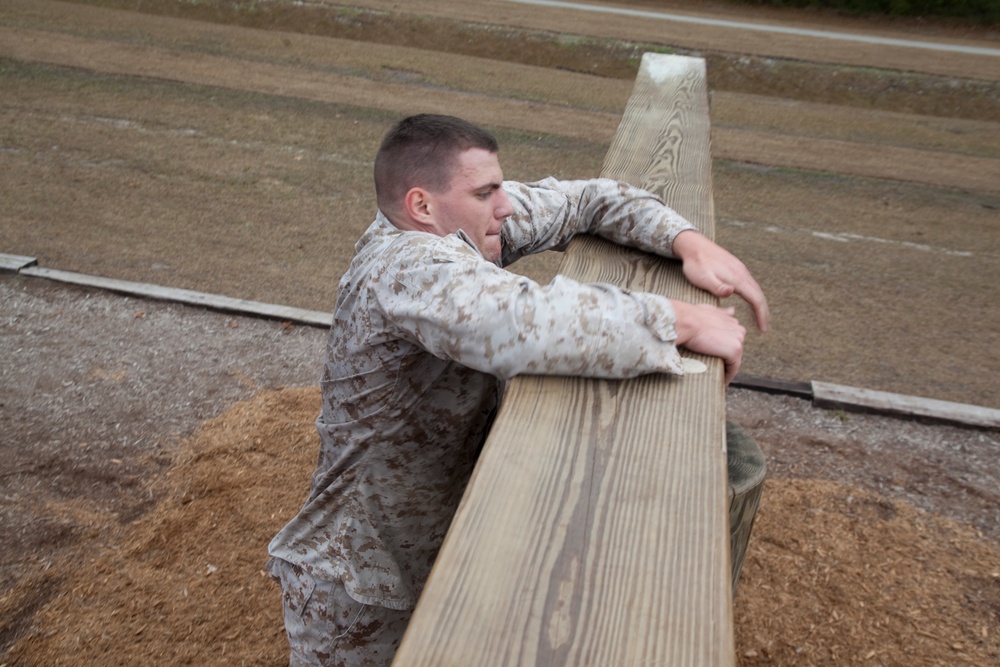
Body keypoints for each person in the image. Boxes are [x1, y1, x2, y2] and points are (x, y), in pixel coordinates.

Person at [267, 114, 769, 666]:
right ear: (423, 207)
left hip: (432, 550)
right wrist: (682, 322)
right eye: (485, 192)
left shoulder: (468, 229)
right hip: (359, 587)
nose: (504, 205)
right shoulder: (405, 265)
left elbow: (586, 200)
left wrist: (686, 239)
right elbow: (524, 321)